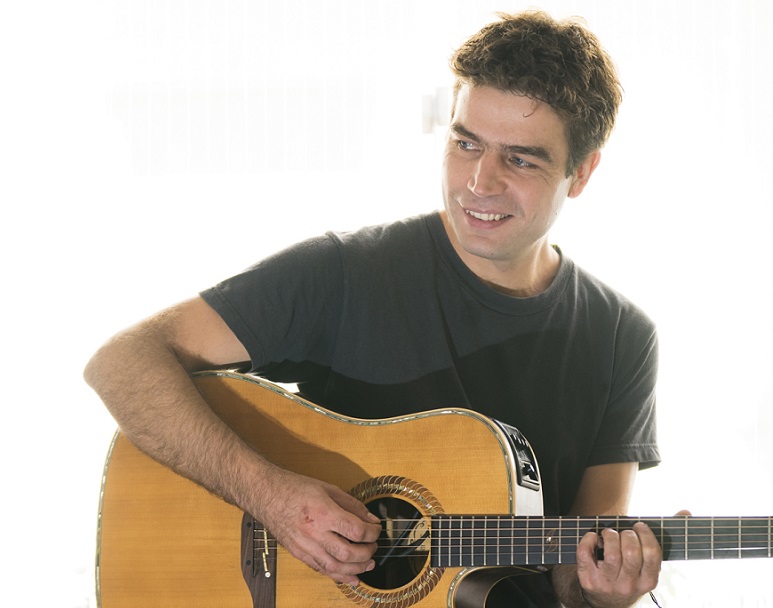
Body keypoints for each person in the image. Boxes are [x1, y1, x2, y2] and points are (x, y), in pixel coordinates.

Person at [85, 10, 666, 608]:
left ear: (581, 171)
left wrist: (607, 590)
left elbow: (579, 570)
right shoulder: (346, 273)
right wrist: (270, 497)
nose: (478, 182)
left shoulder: (622, 337)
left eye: (520, 159)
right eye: (465, 143)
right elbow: (121, 363)